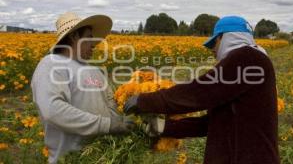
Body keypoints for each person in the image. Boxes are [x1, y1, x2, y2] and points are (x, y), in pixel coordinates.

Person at [124, 16, 280, 164]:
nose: (211, 49)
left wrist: (145, 100)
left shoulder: (248, 58)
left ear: (226, 38)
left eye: (214, 42)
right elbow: (213, 122)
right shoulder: (251, 61)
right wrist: (164, 127)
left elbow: (199, 92)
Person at [31, 12, 135, 164]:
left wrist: (129, 115)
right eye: (89, 37)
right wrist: (107, 125)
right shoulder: (51, 64)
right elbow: (52, 110)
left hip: (104, 156)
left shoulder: (95, 71)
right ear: (74, 37)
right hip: (70, 159)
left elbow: (111, 105)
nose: (95, 43)